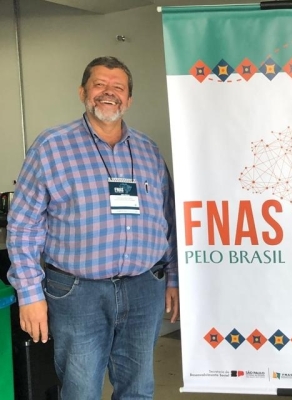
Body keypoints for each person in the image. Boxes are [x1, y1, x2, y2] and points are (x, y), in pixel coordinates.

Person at [7, 56, 179, 400]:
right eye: (99, 84)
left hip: (144, 288)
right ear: (83, 92)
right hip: (77, 293)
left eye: (118, 87)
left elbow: (168, 218)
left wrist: (172, 277)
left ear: (129, 99)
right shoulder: (51, 147)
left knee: (138, 389)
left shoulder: (148, 151)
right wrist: (30, 295)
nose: (108, 92)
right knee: (81, 390)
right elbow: (23, 225)